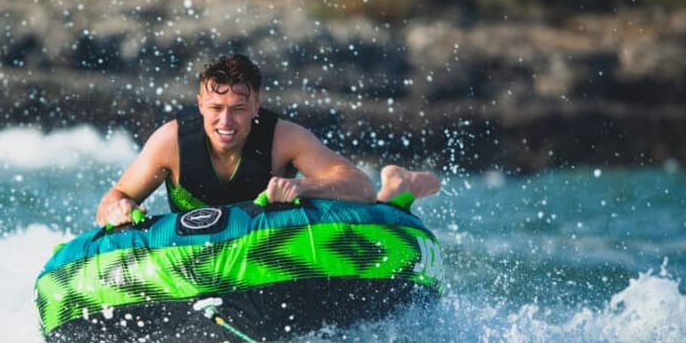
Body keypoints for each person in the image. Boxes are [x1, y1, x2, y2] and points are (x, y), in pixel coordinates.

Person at [96, 54, 440, 227]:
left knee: (375, 207)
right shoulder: (169, 143)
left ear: (256, 106)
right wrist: (119, 208)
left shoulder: (283, 138)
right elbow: (112, 199)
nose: (225, 121)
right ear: (200, 104)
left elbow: (359, 187)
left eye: (239, 108)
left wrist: (302, 188)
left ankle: (397, 189)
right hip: (201, 257)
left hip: (270, 246)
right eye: (215, 108)